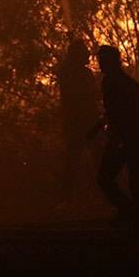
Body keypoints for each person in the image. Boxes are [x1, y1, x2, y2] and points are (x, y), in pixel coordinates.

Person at [87, 45, 139, 231]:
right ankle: (136, 217)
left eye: (103, 61)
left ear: (112, 62)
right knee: (134, 181)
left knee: (110, 179)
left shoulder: (113, 83)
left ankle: (133, 215)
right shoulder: (126, 83)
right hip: (133, 138)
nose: (101, 65)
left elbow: (117, 112)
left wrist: (100, 129)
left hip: (129, 139)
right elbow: (126, 110)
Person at [55, 39, 98, 193]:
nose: (88, 54)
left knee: (94, 156)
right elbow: (85, 95)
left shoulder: (82, 72)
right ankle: (67, 192)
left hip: (88, 120)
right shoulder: (70, 72)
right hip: (78, 121)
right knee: (74, 158)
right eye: (84, 52)